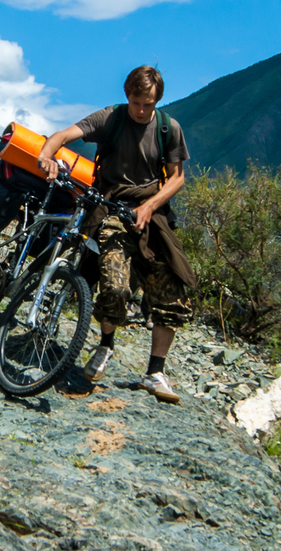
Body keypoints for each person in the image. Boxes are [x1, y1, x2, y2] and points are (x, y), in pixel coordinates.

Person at [37, 66, 196, 404]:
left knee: (172, 289)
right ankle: (105, 347)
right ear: (128, 96)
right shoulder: (110, 118)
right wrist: (46, 156)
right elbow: (63, 135)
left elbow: (178, 177)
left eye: (148, 104)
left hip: (152, 214)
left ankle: (155, 372)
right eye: (137, 102)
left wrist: (151, 206)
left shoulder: (169, 128)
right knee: (114, 284)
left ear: (157, 101)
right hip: (110, 209)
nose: (142, 110)